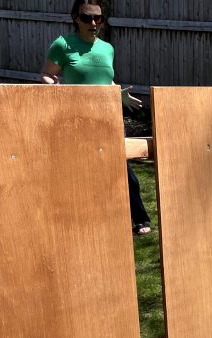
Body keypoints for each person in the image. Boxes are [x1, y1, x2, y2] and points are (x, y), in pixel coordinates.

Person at [41, 0, 153, 236]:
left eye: (97, 18)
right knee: (81, 171)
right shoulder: (62, 45)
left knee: (123, 171)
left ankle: (139, 219)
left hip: (108, 117)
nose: (93, 23)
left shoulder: (107, 48)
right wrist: (54, 87)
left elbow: (106, 79)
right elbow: (47, 74)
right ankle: (79, 220)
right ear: (75, 18)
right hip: (77, 119)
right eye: (86, 18)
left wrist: (118, 93)